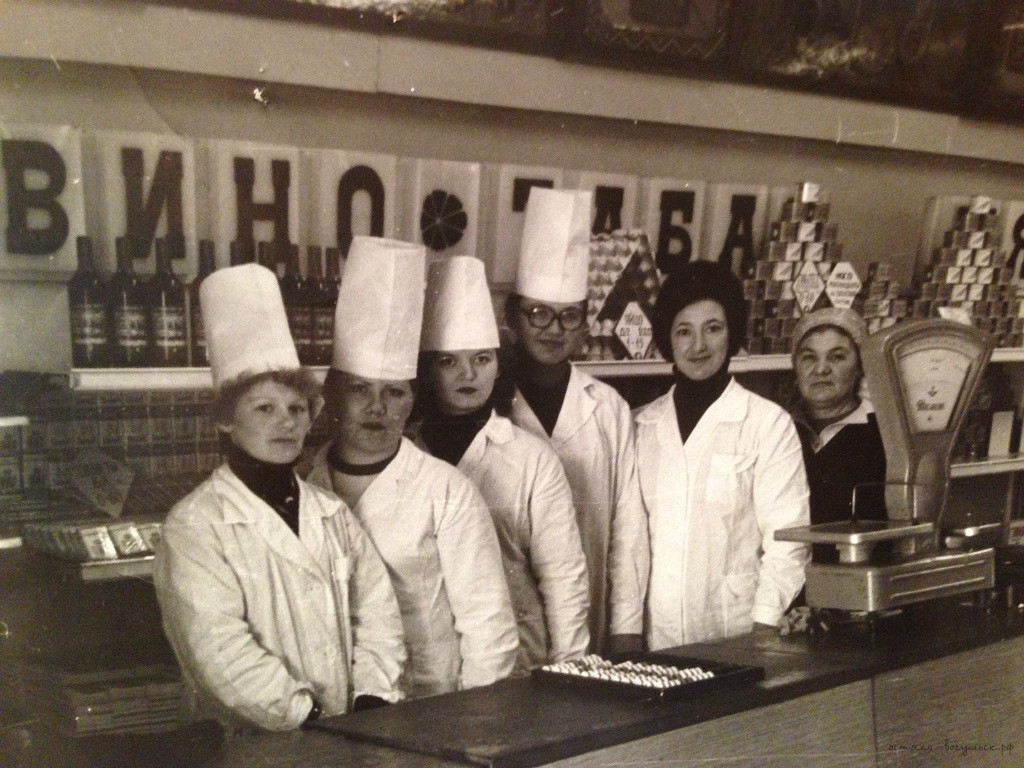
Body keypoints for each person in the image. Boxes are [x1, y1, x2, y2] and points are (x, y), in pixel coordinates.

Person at [154, 263, 405, 732]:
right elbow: (219, 650)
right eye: (264, 408)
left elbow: (377, 612)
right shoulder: (194, 525)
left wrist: (372, 697)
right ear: (226, 420)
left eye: (297, 408)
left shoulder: (330, 511)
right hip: (255, 741)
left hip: (347, 733)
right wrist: (305, 716)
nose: (286, 422)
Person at [304, 236, 519, 698]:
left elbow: (490, 628)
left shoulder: (448, 490)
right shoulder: (304, 484)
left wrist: (473, 722)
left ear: (412, 400)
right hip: (331, 701)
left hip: (431, 704)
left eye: (395, 392)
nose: (376, 407)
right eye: (359, 389)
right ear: (333, 396)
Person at [414, 255, 590, 673]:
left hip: (516, 660)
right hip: (428, 667)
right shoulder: (406, 453)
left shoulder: (532, 458)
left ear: (498, 365)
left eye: (481, 359)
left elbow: (564, 579)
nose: (468, 374)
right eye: (448, 361)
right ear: (427, 369)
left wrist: (571, 672)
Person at [504, 187, 649, 658]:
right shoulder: (492, 406)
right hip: (507, 622)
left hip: (591, 616)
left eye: (569, 316)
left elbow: (628, 525)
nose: (554, 329)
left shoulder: (607, 407)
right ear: (513, 318)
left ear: (586, 325)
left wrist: (626, 626)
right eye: (538, 314)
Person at [635, 260, 810, 650]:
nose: (698, 346)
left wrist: (764, 627)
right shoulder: (641, 426)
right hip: (656, 634)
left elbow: (788, 539)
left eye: (713, 328)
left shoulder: (767, 423)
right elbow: (630, 544)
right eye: (684, 331)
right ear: (667, 340)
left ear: (732, 334)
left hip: (738, 632)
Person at [789, 307, 887, 527]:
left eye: (837, 357)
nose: (821, 369)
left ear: (861, 366)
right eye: (809, 357)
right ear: (794, 365)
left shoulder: (885, 433)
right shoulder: (775, 428)